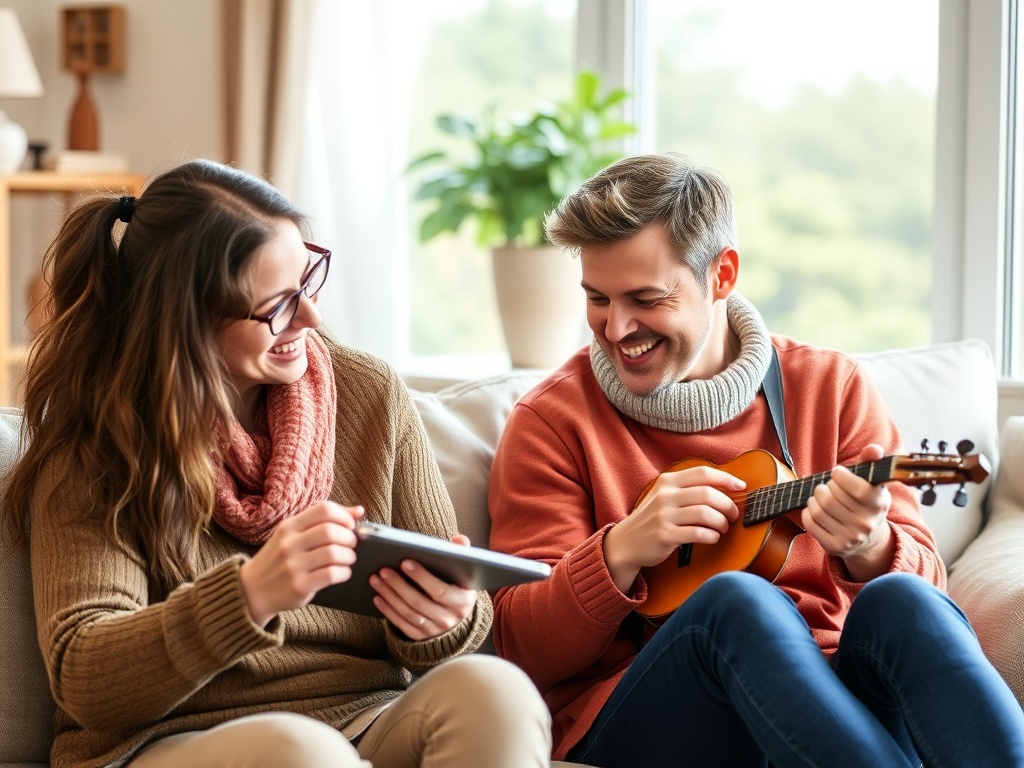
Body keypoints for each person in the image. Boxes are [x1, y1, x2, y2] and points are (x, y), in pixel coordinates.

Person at [2, 159, 551, 768]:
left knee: (496, 694)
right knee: (302, 754)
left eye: (307, 280)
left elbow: (457, 611)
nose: (312, 320)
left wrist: (443, 619)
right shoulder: (100, 443)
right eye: (277, 306)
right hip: (163, 740)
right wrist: (250, 594)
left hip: (358, 715)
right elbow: (85, 676)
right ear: (186, 323)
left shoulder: (368, 394)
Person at [487, 152, 1024, 767]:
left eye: (645, 298)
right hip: (654, 710)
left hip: (832, 699)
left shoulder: (831, 388)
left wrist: (870, 545)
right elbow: (517, 644)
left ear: (722, 275)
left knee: (903, 602)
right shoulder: (553, 423)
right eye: (597, 299)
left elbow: (933, 587)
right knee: (736, 602)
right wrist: (620, 551)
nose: (616, 328)